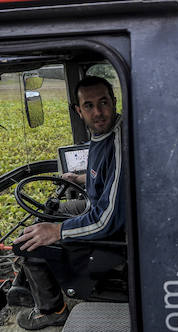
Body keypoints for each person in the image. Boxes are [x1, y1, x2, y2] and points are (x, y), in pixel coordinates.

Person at [10, 76, 128, 330]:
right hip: (97, 210)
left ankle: (52, 309)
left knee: (28, 245)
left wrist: (57, 231)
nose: (98, 112)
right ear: (78, 110)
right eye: (89, 105)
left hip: (113, 232)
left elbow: (106, 221)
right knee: (48, 213)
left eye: (104, 102)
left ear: (114, 102)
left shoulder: (120, 143)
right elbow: (106, 178)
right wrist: (80, 178)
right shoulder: (102, 135)